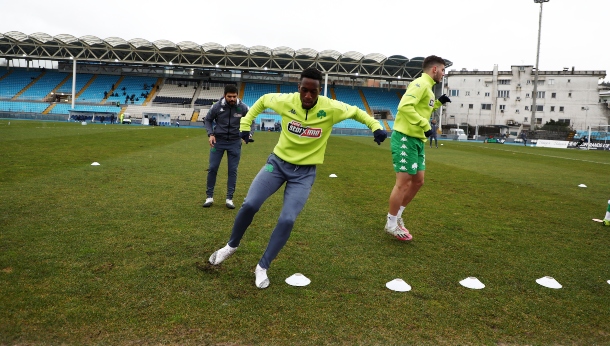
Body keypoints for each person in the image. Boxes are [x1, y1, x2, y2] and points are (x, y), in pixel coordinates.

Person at [207, 67, 387, 289]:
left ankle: (262, 266)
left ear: (320, 91)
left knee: (287, 219)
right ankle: (231, 246)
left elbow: (357, 112)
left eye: (314, 92)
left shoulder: (330, 108)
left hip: (303, 174)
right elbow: (262, 100)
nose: (309, 96)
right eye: (304, 90)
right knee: (250, 204)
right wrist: (245, 126)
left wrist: (376, 126)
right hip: (277, 164)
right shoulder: (287, 101)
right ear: (298, 88)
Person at [385, 55, 450, 241]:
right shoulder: (420, 84)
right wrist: (425, 125)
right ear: (435, 69)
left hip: (417, 139)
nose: (444, 74)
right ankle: (391, 224)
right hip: (405, 137)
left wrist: (438, 103)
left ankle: (397, 217)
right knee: (403, 183)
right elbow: (405, 107)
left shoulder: (429, 88)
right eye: (443, 70)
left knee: (418, 181)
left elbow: (422, 108)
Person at [203, 84, 252, 209]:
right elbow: (207, 120)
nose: (232, 99)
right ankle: (209, 197)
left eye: (234, 96)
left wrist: (249, 134)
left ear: (237, 96)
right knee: (213, 168)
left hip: (235, 142)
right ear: (224, 95)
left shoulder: (243, 107)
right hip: (218, 142)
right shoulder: (217, 106)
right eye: (229, 96)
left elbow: (251, 121)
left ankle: (229, 198)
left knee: (232, 170)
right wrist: (211, 134)